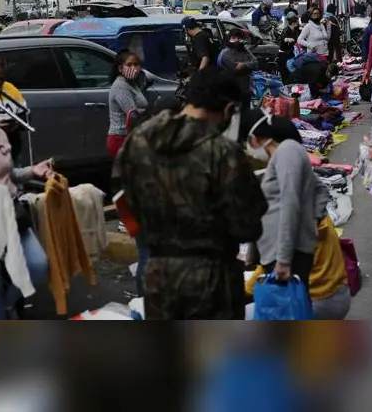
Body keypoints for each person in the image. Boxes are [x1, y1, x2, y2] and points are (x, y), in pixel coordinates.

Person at [112, 68, 268, 319]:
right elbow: (248, 226)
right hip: (213, 281)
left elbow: (121, 201)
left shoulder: (138, 140)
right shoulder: (223, 153)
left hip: (158, 276)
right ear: (228, 111)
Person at [240, 109, 329, 306]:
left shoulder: (287, 152)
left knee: (288, 312)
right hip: (281, 251)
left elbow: (290, 204)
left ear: (253, 138)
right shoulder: (281, 157)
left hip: (288, 253)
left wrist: (283, 259)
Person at [0, 94, 54, 319]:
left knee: (37, 266)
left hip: (12, 214)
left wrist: (32, 171)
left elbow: (11, 173)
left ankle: (10, 303)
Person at [106, 50, 149, 157]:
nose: (133, 68)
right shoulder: (121, 86)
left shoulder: (132, 83)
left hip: (130, 137)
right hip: (121, 138)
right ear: (120, 68)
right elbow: (132, 115)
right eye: (129, 65)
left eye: (136, 64)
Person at [0, 56, 29, 164]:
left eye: (2, 78)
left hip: (10, 151)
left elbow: (25, 116)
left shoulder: (10, 89)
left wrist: (15, 125)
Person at [218, 29, 258, 112]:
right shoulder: (225, 53)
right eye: (233, 38)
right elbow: (235, 68)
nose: (236, 40)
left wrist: (243, 65)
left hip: (246, 88)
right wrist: (247, 65)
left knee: (246, 113)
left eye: (239, 38)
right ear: (229, 39)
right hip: (232, 91)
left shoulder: (245, 51)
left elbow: (255, 63)